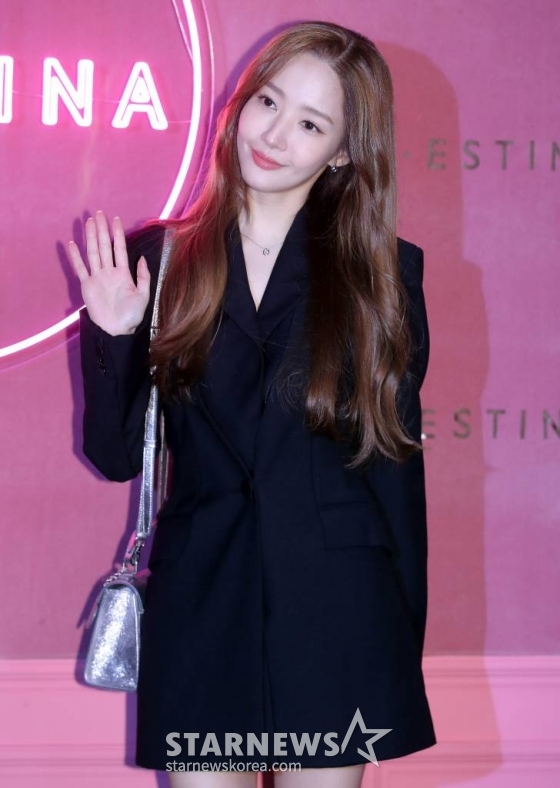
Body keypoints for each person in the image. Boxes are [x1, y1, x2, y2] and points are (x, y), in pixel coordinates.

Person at [69, 19, 436, 788]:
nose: (273, 135)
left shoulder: (382, 277)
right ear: (240, 102)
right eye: (268, 102)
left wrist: (400, 648)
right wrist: (114, 335)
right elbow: (115, 457)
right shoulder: (159, 259)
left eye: (310, 124)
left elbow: (395, 473)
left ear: (343, 151)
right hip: (202, 603)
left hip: (340, 612)